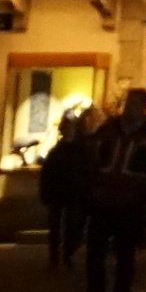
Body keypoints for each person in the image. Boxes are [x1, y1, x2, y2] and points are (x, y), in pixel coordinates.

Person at [82, 91, 146, 292]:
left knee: (125, 260)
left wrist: (143, 198)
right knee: (95, 257)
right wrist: (93, 190)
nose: (130, 108)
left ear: (143, 108)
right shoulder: (107, 131)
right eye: (128, 103)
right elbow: (91, 162)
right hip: (102, 203)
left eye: (135, 104)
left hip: (130, 206)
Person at [36, 109, 94, 271]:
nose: (69, 131)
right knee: (55, 227)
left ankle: (66, 255)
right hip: (59, 195)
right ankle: (55, 257)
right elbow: (47, 174)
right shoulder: (58, 151)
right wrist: (46, 194)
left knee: (72, 227)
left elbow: (86, 172)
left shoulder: (80, 150)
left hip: (74, 195)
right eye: (66, 127)